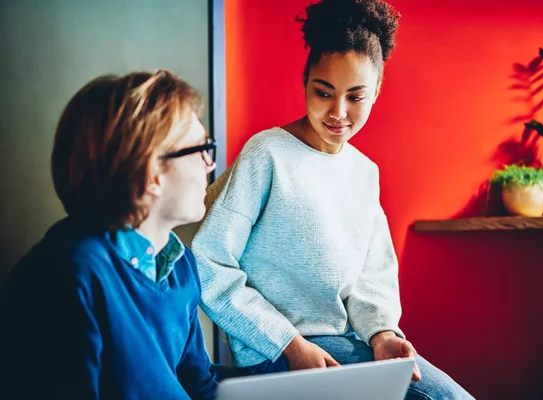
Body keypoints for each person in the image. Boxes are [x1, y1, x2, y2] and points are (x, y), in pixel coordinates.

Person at [191, 0, 475, 399]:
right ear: (305, 80)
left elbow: (370, 277)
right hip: (282, 353)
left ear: (376, 90)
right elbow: (208, 262)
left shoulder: (364, 172)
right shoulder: (267, 154)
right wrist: (288, 344)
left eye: (355, 97)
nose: (337, 113)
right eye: (322, 92)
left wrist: (382, 333)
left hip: (349, 342)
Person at [1, 70, 219, 399]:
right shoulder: (66, 274)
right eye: (201, 149)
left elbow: (198, 386)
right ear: (150, 172)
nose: (210, 165)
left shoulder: (179, 264)